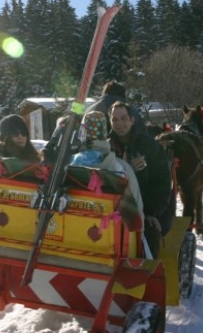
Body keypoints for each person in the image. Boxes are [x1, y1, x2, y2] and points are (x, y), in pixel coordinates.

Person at [108, 100, 174, 257]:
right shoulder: (105, 147)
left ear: (132, 120)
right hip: (113, 208)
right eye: (115, 119)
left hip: (147, 208)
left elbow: (163, 184)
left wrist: (151, 212)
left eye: (123, 118)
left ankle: (147, 275)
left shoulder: (150, 147)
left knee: (149, 236)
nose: (119, 123)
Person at [70, 111, 144, 233]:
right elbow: (136, 209)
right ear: (105, 133)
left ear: (82, 133)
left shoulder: (69, 165)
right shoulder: (121, 168)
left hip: (74, 230)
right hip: (113, 235)